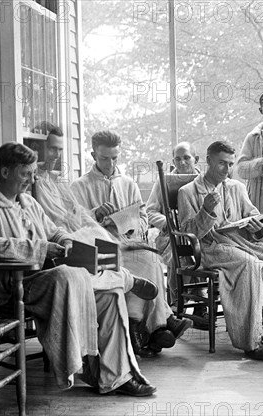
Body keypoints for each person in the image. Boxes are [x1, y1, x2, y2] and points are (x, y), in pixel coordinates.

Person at [0, 142, 156, 396]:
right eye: (25, 173)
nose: (31, 179)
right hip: (15, 284)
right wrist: (42, 248)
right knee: (70, 274)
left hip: (49, 278)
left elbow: (54, 230)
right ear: (5, 172)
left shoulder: (28, 202)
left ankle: (116, 377)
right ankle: (124, 278)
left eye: (33, 173)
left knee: (108, 297)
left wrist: (64, 240)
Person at [38, 127, 188, 358]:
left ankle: (143, 331)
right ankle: (156, 325)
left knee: (151, 258)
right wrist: (96, 215)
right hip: (98, 248)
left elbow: (144, 218)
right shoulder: (79, 186)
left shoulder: (128, 183)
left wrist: (129, 224)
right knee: (146, 263)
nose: (109, 164)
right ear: (93, 156)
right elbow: (72, 226)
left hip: (128, 241)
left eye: (115, 158)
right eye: (104, 158)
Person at [177, 140, 263, 360]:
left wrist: (259, 228)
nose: (227, 169)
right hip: (211, 246)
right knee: (250, 265)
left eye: (231, 164)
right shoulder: (189, 192)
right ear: (208, 160)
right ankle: (251, 340)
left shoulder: (236, 187)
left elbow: (254, 216)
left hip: (243, 242)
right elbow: (188, 233)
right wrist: (206, 211)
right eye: (222, 163)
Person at [146, 141, 208, 327]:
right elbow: (150, 210)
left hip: (200, 235)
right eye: (177, 159)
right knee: (180, 253)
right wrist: (166, 223)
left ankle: (199, 301)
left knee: (196, 249)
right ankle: (178, 304)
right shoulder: (165, 180)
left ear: (196, 159)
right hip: (171, 236)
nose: (182, 163)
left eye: (186, 158)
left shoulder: (204, 181)